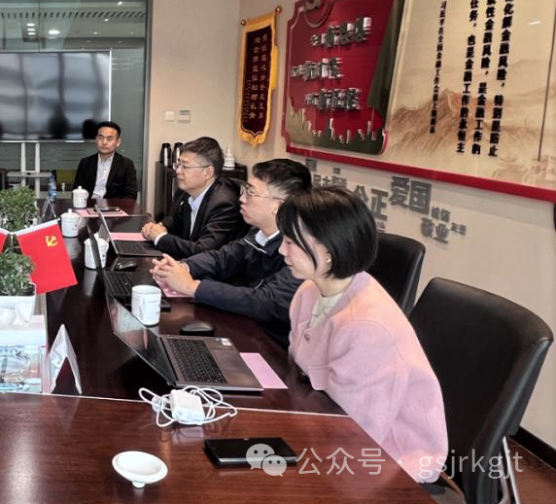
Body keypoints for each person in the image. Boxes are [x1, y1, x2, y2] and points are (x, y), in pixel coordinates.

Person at [278, 187, 447, 482]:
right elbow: (299, 375)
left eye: (290, 242)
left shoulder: (366, 327)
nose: (282, 250)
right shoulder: (309, 291)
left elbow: (357, 434)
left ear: (328, 250)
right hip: (323, 424)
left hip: (385, 458)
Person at [150, 159, 311, 346]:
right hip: (246, 328)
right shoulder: (258, 233)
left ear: (278, 206)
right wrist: (182, 267)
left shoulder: (300, 251)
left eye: (251, 192)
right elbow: (221, 258)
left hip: (273, 347)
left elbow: (266, 302)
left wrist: (192, 287)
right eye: (244, 190)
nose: (242, 198)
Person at [140, 137, 247, 257]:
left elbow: (204, 250)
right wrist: (157, 227)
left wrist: (161, 238)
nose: (178, 171)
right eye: (178, 165)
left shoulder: (223, 204)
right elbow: (175, 220)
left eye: (185, 166)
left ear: (207, 172)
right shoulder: (187, 192)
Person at [72, 121, 138, 200]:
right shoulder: (85, 163)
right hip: (89, 204)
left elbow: (131, 195)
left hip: (114, 206)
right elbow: (77, 191)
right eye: (101, 138)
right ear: (96, 139)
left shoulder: (126, 164)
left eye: (109, 139)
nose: (104, 142)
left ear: (118, 142)